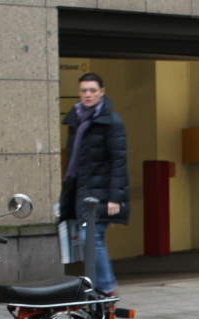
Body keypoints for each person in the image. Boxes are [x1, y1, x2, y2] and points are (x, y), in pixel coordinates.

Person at [59, 72, 129, 294]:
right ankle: (97, 288)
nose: (87, 95)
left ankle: (107, 287)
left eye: (92, 90)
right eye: (83, 91)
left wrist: (114, 198)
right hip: (82, 190)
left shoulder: (111, 122)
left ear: (101, 92)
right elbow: (75, 160)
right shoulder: (77, 120)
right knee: (85, 237)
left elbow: (118, 160)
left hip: (101, 192)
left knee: (91, 236)